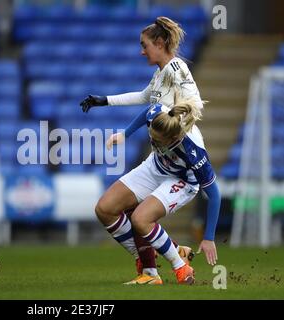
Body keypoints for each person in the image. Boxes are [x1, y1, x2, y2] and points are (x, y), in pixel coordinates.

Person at [80, 17, 219, 285]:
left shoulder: (176, 69)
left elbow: (192, 96)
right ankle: (156, 262)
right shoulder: (161, 75)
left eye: (144, 45)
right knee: (105, 208)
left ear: (159, 43)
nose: (141, 51)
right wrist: (105, 102)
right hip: (159, 162)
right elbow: (146, 100)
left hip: (181, 173)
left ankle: (179, 267)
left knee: (141, 217)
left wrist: (187, 109)